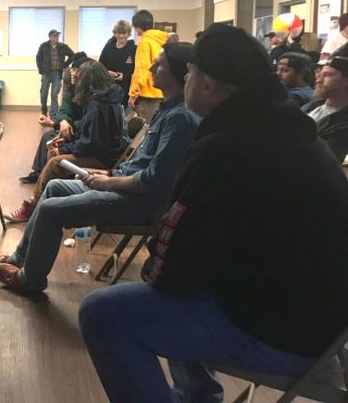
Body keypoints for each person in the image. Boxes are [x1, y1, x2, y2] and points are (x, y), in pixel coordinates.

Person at [78, 24, 348, 403]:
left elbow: (173, 270)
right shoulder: (287, 132)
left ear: (206, 85)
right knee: (185, 287)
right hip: (323, 324)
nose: (185, 79)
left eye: (189, 74)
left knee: (102, 313)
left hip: (285, 336)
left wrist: (155, 267)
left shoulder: (226, 147)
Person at [0, 43, 199, 288]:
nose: (151, 66)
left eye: (159, 63)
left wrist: (109, 181)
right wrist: (111, 173)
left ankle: (30, 280)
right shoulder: (168, 110)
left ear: (178, 73)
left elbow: (155, 180)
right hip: (123, 187)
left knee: (49, 210)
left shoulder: (179, 118)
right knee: (55, 186)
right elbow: (143, 165)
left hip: (138, 203)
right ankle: (18, 259)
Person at [5, 61, 131, 223]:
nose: (77, 80)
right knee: (55, 153)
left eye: (81, 77)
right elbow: (89, 132)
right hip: (107, 152)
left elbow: (91, 143)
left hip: (105, 158)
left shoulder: (99, 104)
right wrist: (66, 142)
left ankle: (33, 206)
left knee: (56, 162)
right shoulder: (106, 98)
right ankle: (48, 202)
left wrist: (64, 150)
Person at [20, 54, 92, 184]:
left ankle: (48, 176)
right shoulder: (72, 89)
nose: (74, 74)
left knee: (51, 137)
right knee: (48, 136)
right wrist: (63, 122)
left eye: (79, 71)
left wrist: (56, 124)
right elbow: (64, 110)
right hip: (72, 130)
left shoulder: (93, 96)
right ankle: (39, 172)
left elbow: (87, 122)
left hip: (81, 135)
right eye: (74, 69)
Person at [302, 44, 348, 163]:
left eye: (327, 75)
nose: (319, 80)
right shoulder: (313, 105)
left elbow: (317, 158)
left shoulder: (344, 123)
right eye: (320, 74)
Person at [128, 10, 167, 121]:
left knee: (144, 131)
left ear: (137, 25)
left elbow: (142, 69)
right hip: (162, 92)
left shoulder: (145, 42)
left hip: (149, 95)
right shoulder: (161, 40)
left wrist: (133, 94)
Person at [36, 29, 75, 120]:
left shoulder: (62, 46)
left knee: (54, 94)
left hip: (57, 73)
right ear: (50, 37)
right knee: (43, 93)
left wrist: (64, 65)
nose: (57, 37)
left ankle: (53, 115)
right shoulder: (44, 46)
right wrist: (41, 70)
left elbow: (72, 55)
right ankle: (44, 111)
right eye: (55, 36)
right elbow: (39, 58)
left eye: (58, 36)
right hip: (46, 73)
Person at [98, 20, 137, 107]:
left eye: (124, 33)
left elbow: (137, 71)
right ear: (115, 33)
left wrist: (125, 76)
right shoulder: (108, 47)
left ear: (128, 34)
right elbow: (100, 66)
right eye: (119, 33)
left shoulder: (133, 49)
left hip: (126, 90)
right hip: (109, 88)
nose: (121, 36)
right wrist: (107, 72)